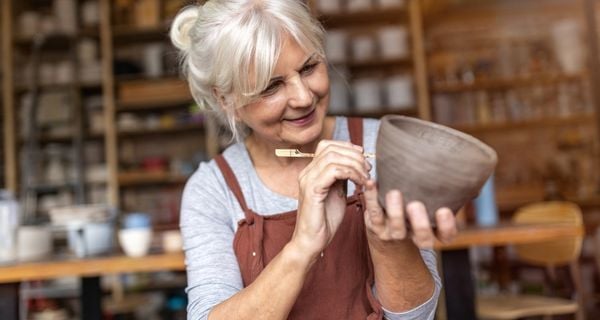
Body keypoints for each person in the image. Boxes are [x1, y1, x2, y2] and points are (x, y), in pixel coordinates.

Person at [170, 1, 458, 319]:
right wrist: (303, 245)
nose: (304, 97)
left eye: (309, 68)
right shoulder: (213, 189)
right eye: (271, 87)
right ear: (227, 100)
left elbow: (418, 317)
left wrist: (388, 244)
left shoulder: (385, 147)